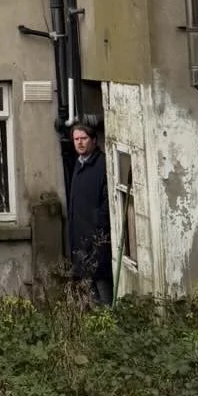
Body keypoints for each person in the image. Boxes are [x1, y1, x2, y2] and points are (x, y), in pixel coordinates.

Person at [67, 120, 114, 306]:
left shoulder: (101, 164)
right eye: (76, 139)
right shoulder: (78, 164)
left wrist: (98, 224)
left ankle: (109, 319)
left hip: (97, 236)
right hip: (80, 235)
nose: (79, 142)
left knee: (101, 280)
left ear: (93, 140)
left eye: (83, 138)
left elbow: (107, 199)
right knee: (88, 283)